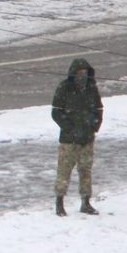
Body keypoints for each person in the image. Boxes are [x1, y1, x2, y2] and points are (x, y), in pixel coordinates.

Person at [51, 58, 104, 216]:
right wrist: (71, 129)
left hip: (87, 139)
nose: (83, 76)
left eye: (85, 73)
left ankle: (86, 202)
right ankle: (59, 203)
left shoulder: (91, 87)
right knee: (64, 171)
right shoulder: (64, 87)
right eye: (80, 72)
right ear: (73, 73)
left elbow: (99, 108)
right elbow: (56, 112)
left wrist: (93, 127)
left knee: (86, 171)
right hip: (69, 140)